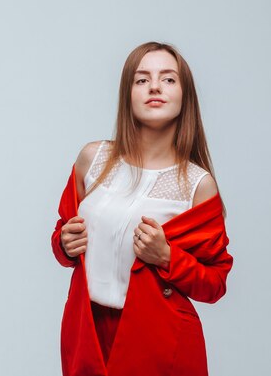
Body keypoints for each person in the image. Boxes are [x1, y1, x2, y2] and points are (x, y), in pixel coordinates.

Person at [51, 41, 233, 376]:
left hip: (160, 342)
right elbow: (64, 234)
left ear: (185, 96)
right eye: (141, 79)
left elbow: (215, 283)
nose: (154, 87)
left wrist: (167, 257)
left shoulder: (197, 184)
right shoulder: (92, 159)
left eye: (168, 79)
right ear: (127, 94)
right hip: (86, 332)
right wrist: (63, 243)